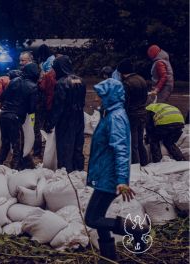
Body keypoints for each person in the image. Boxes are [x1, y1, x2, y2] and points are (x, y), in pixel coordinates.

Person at [85, 78, 141, 262]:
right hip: (105, 174)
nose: (98, 99)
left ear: (110, 96)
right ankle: (108, 256)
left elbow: (121, 149)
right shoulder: (111, 113)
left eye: (101, 95)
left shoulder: (115, 117)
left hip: (109, 177)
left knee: (92, 218)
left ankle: (134, 229)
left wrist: (122, 180)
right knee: (99, 216)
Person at [45, 55, 86, 173]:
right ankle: (79, 170)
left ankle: (66, 173)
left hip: (66, 119)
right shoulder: (81, 80)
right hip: (79, 117)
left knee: (65, 148)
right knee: (78, 146)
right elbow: (82, 101)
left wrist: (50, 123)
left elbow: (58, 106)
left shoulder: (61, 83)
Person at [0, 63, 39, 170]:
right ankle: (14, 170)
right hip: (15, 118)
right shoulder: (33, 87)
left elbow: (2, 97)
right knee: (17, 147)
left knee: (5, 143)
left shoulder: (13, 81)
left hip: (4, 115)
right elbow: (32, 109)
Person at [117, 58, 149, 166]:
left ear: (122, 72)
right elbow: (146, 98)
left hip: (132, 116)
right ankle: (145, 163)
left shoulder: (126, 83)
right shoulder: (142, 79)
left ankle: (135, 166)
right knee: (140, 142)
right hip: (142, 113)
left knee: (132, 144)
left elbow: (125, 102)